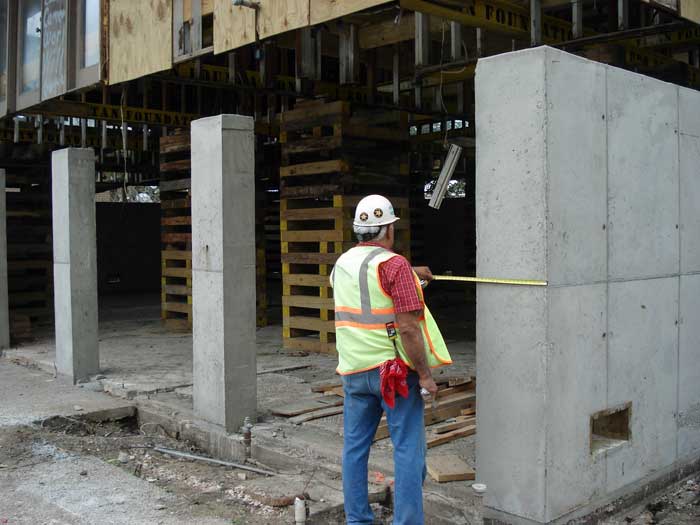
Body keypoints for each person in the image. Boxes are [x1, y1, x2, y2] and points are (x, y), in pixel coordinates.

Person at [330, 194, 452, 525]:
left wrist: (411, 272)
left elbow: (367, 277)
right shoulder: (394, 265)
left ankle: (358, 520)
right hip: (393, 374)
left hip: (354, 372)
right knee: (408, 451)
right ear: (388, 230)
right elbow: (410, 329)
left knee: (355, 450)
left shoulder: (341, 264)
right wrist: (425, 375)